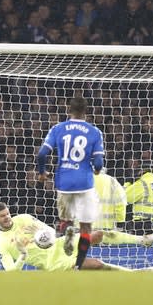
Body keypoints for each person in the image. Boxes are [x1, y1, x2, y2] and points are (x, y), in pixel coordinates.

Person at [0, 202, 153, 271]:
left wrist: (41, 235)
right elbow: (11, 272)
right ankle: (137, 273)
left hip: (60, 244)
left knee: (97, 234)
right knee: (96, 264)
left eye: (7, 214)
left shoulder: (24, 218)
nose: (7, 218)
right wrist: (22, 255)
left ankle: (142, 240)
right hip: (52, 263)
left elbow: (49, 230)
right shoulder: (1, 244)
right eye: (2, 216)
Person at [37, 96, 104, 270]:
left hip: (63, 182)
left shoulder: (57, 128)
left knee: (65, 219)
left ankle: (66, 229)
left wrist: (42, 172)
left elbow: (42, 154)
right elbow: (98, 163)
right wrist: (96, 170)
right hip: (84, 183)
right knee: (86, 228)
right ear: (86, 111)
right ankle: (78, 265)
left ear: (69, 110)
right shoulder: (94, 132)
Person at [92, 169, 153, 246]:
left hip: (83, 226)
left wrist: (128, 184)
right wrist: (120, 223)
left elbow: (126, 197)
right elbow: (121, 202)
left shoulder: (141, 184)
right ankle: (142, 240)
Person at [125, 161, 153, 235]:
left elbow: (124, 198)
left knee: (138, 245)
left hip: (141, 225)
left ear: (142, 171)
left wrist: (128, 183)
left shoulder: (141, 183)